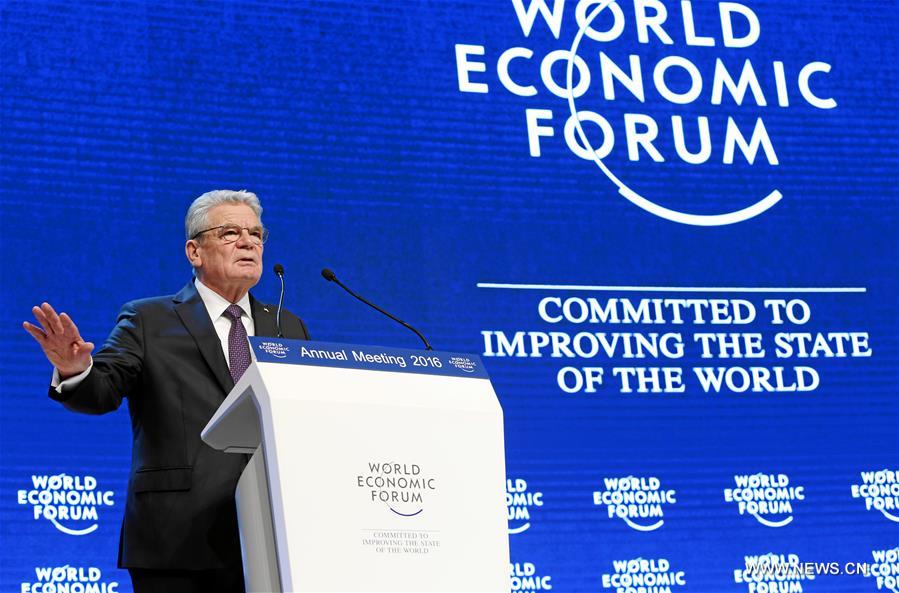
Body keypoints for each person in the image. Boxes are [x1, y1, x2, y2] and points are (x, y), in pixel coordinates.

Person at [23, 190, 310, 593]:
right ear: (194, 251)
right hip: (177, 538)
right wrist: (75, 369)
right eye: (230, 233)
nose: (248, 243)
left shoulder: (288, 326)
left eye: (256, 234)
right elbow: (102, 390)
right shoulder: (149, 319)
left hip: (272, 534)